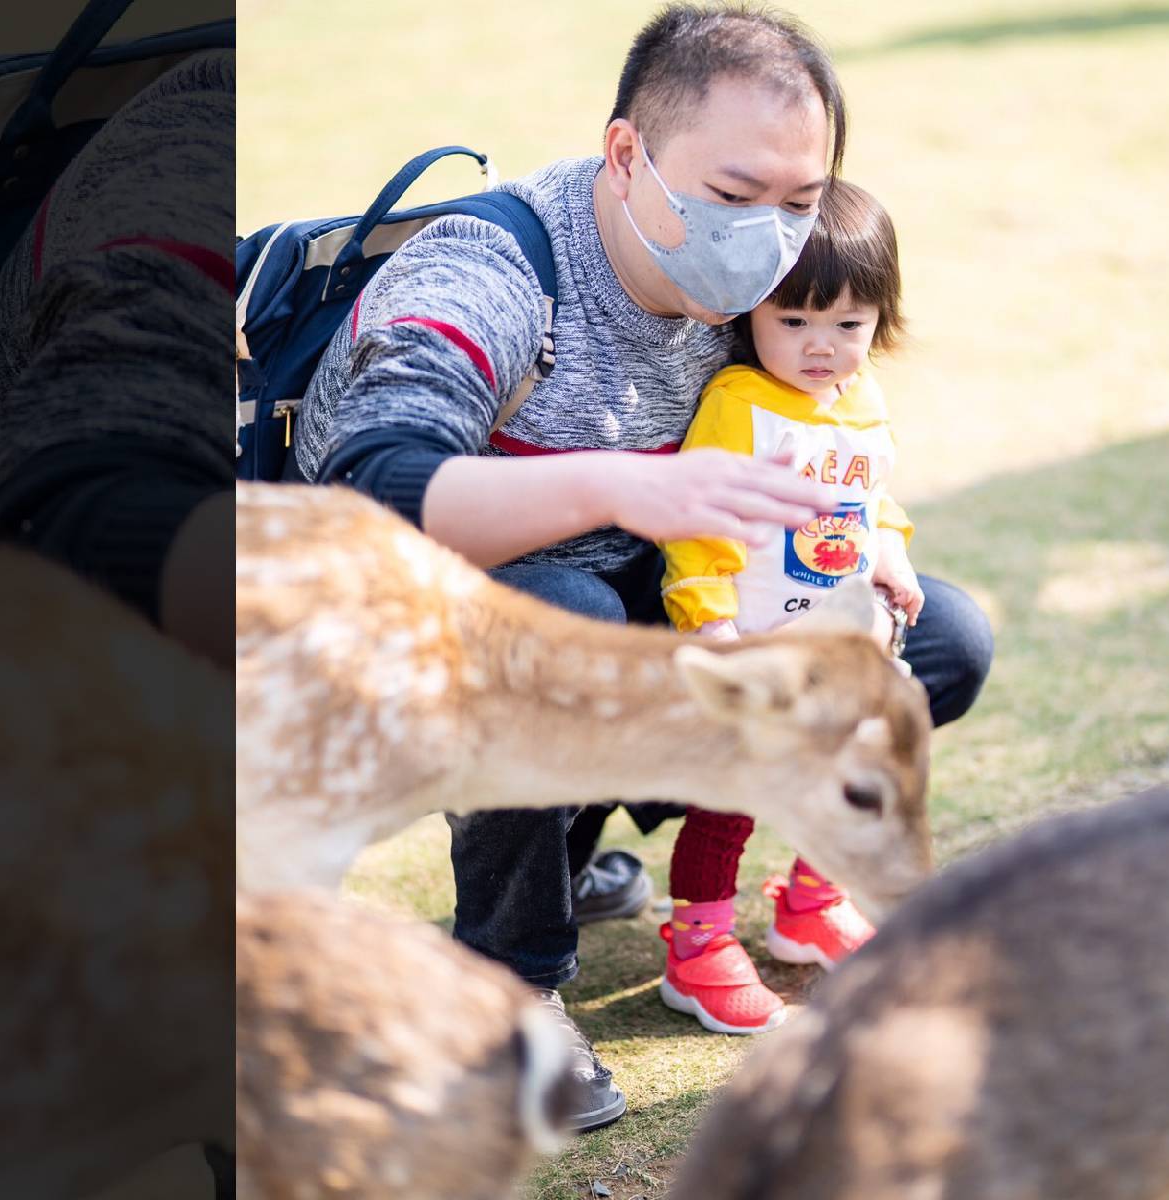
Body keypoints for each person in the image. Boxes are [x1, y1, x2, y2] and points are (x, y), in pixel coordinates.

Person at [296, 3, 993, 1132]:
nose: (769, 236)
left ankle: (564, 851)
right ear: (629, 155)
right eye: (731, 197)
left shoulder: (751, 287)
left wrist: (864, 566)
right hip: (416, 629)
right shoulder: (494, 267)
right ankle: (504, 986)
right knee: (560, 607)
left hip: (667, 609)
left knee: (936, 644)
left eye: (800, 201)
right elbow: (369, 494)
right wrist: (620, 482)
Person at [654, 178, 917, 1034]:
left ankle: (810, 903)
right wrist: (716, 630)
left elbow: (876, 499)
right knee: (732, 794)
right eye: (794, 321)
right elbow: (698, 531)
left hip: (839, 647)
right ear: (749, 314)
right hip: (758, 643)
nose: (822, 347)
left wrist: (893, 556)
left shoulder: (864, 401)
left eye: (849, 326)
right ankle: (696, 947)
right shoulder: (740, 407)